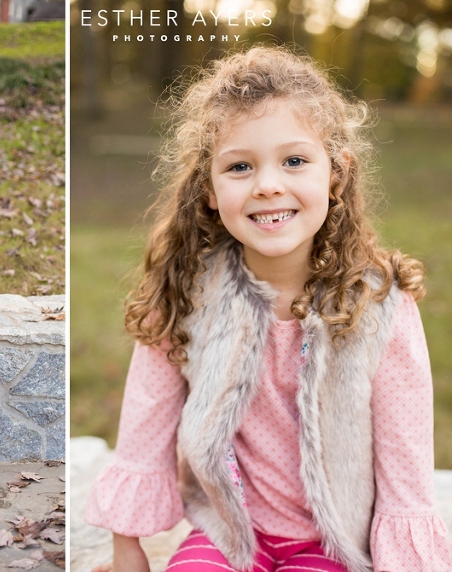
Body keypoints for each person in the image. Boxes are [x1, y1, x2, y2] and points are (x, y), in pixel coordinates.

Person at [85, 46, 452, 572]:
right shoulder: (186, 290)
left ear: (336, 174)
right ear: (209, 190)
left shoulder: (378, 304)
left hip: (330, 545)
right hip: (229, 532)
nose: (268, 184)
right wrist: (127, 551)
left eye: (295, 160)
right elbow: (145, 424)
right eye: (239, 166)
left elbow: (405, 456)